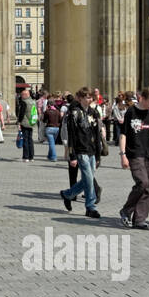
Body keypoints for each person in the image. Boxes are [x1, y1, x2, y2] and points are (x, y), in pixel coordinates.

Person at [118, 87, 149, 230]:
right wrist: (123, 155)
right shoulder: (131, 112)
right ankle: (126, 210)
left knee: (147, 187)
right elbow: (123, 135)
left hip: (148, 154)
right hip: (134, 153)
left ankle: (139, 220)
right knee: (142, 182)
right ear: (143, 98)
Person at [60, 87, 105, 218]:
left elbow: (97, 135)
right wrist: (72, 155)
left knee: (87, 179)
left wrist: (98, 154)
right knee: (89, 179)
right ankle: (90, 207)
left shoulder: (94, 112)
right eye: (86, 97)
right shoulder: (74, 113)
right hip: (80, 150)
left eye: (91, 97)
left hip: (92, 150)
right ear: (80, 98)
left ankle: (67, 194)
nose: (89, 99)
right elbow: (72, 135)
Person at [16, 90, 36, 163]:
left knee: (25, 140)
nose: (21, 96)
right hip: (32, 122)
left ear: (25, 95)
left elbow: (22, 113)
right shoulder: (33, 102)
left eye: (22, 95)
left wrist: (19, 122)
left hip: (25, 122)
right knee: (30, 140)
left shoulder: (24, 102)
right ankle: (31, 157)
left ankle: (26, 157)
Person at [42, 97, 61, 162]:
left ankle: (54, 157)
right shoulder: (58, 111)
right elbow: (60, 120)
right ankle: (49, 156)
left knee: (51, 143)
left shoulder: (47, 112)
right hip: (56, 128)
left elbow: (44, 120)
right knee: (52, 143)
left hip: (49, 128)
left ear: (48, 105)